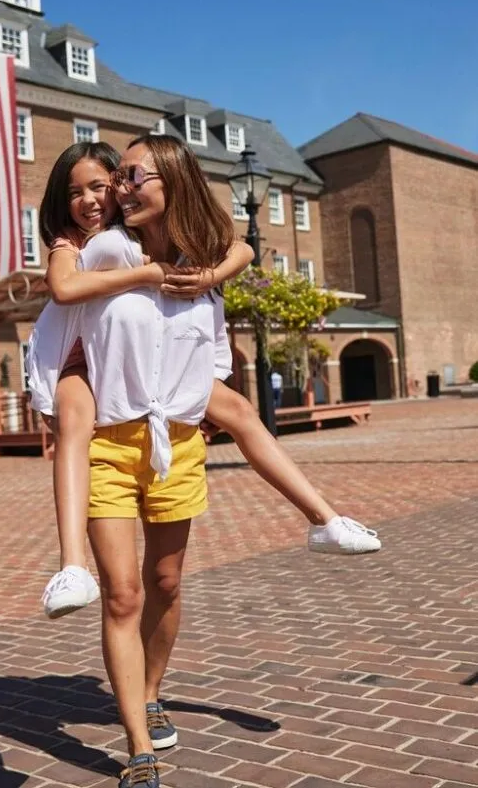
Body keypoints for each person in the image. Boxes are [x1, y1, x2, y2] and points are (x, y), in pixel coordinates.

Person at [30, 141, 381, 619]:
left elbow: (243, 249)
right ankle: (72, 565)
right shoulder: (73, 242)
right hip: (81, 363)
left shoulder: (138, 232)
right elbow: (65, 288)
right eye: (75, 193)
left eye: (101, 186)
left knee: (239, 410)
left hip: (151, 369)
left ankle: (325, 519)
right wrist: (149, 274)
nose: (89, 200)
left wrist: (206, 275)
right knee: (74, 422)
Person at [29, 135, 238, 788]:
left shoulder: (172, 255)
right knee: (122, 591)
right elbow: (64, 291)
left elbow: (233, 248)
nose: (101, 196)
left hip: (172, 439)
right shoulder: (90, 254)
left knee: (167, 580)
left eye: (112, 182)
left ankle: (149, 688)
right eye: (82, 190)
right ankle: (138, 749)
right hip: (107, 440)